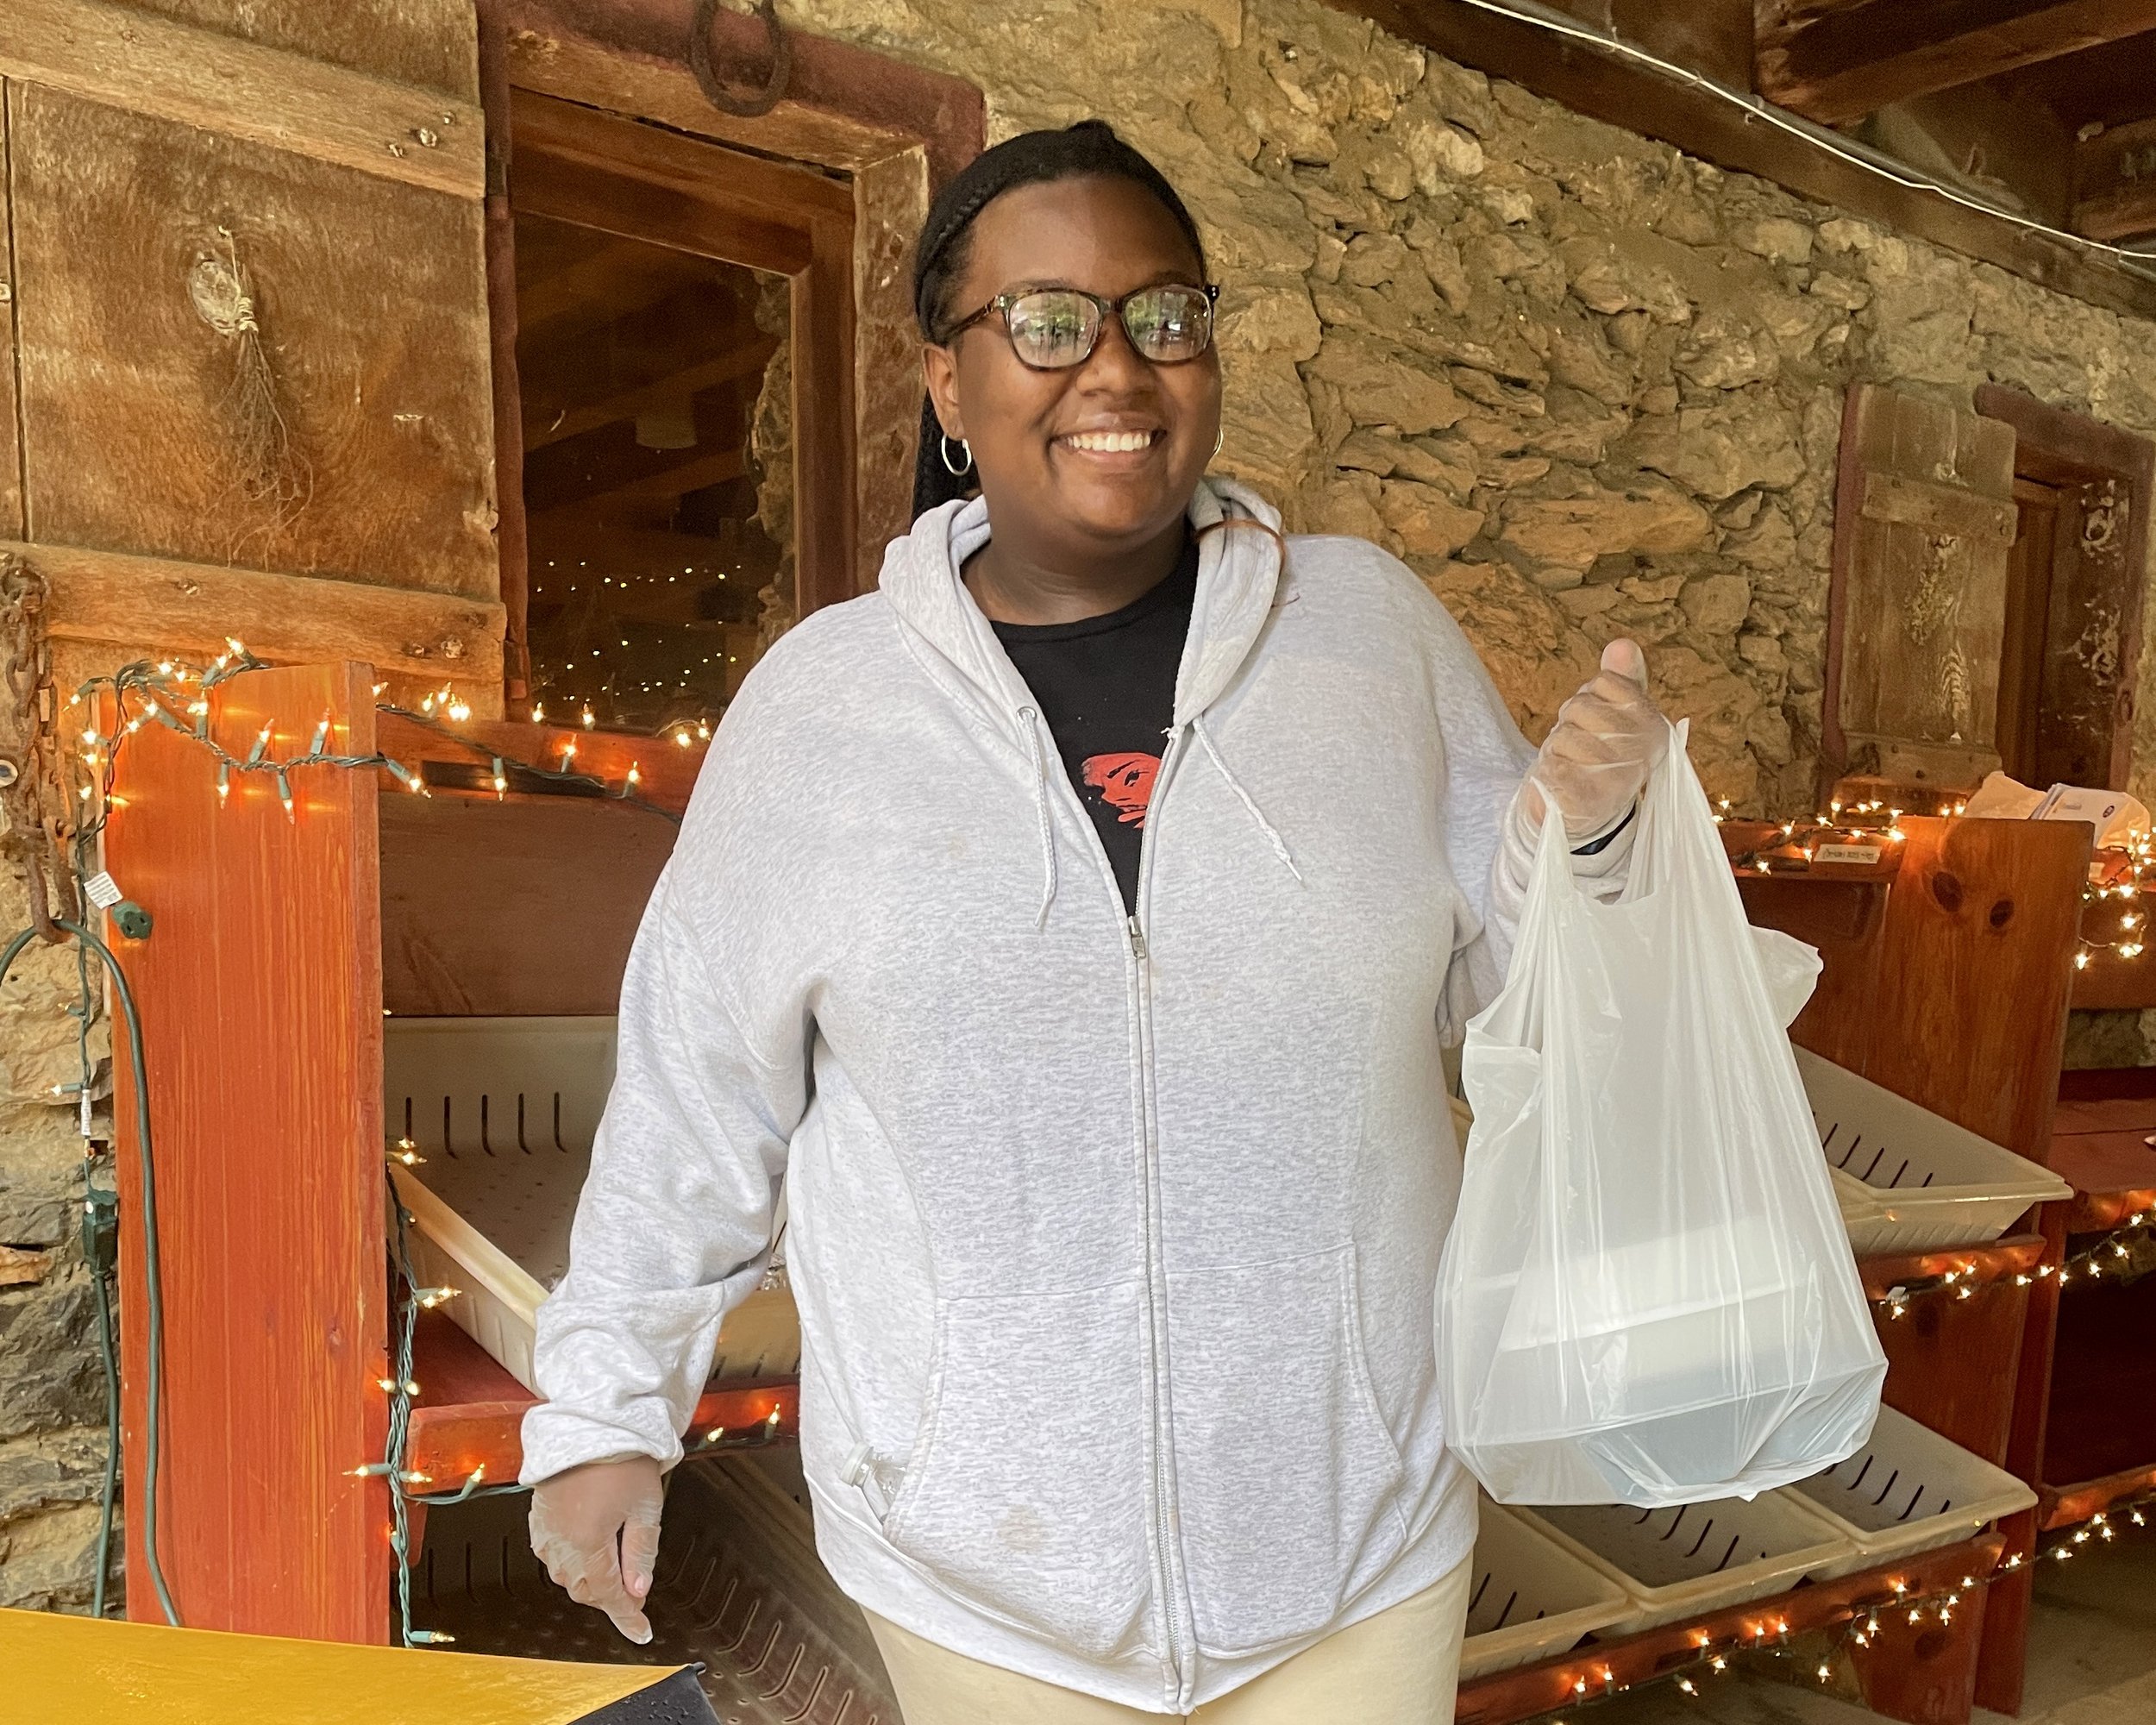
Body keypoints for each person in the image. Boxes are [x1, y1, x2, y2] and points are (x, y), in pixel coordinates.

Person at [518, 121, 1668, 1723]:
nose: (1115, 369)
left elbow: (1522, 990)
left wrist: (1592, 845)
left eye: (1164, 314)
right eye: (1048, 324)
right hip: (984, 1573)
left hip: (1358, 1546)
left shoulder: (1372, 640)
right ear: (947, 385)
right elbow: (692, 1095)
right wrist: (603, 1414)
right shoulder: (823, 711)